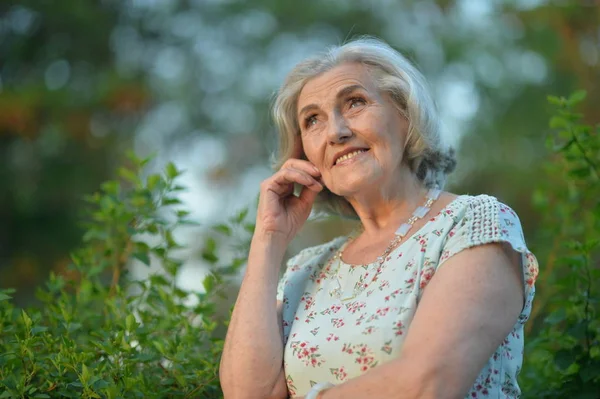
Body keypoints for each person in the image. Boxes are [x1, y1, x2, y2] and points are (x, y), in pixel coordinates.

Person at [219, 37, 539, 399]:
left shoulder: (473, 223)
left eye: (355, 103)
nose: (336, 132)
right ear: (305, 154)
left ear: (405, 116)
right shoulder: (304, 270)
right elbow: (246, 394)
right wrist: (268, 238)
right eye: (313, 120)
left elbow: (428, 384)